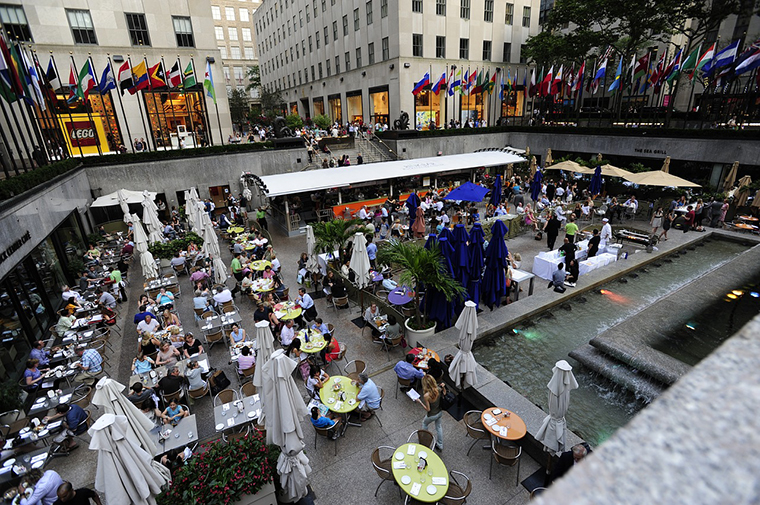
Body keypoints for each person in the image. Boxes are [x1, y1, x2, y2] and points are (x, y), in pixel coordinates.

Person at [416, 374, 446, 451]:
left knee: (424, 423)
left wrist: (420, 402)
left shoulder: (426, 396)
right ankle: (440, 444)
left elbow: (428, 409)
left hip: (432, 414)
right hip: (439, 412)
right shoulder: (438, 389)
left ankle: (425, 441)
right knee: (438, 427)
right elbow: (444, 393)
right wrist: (443, 387)